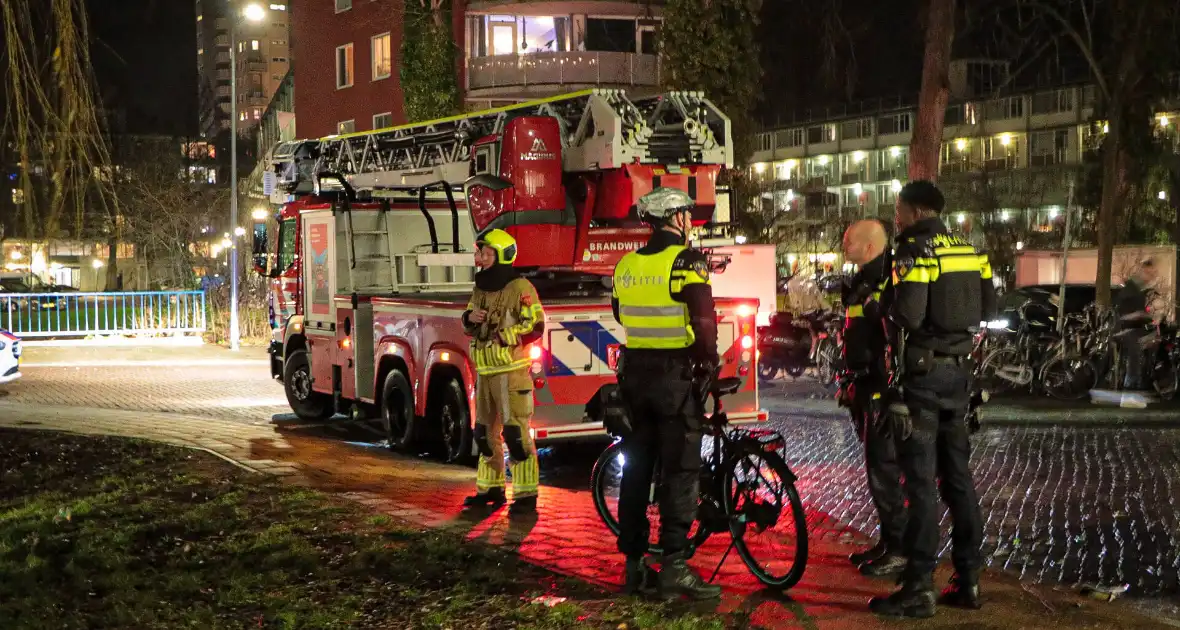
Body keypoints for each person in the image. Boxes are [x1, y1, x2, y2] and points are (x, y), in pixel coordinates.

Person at [870, 180, 996, 618]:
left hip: (921, 377)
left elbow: (907, 314)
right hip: (959, 375)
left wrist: (881, 305)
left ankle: (919, 587)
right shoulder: (970, 249)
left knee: (920, 484)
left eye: (900, 209)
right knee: (958, 480)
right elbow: (988, 307)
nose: (897, 217)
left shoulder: (913, 251)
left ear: (915, 210)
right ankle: (969, 580)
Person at [612, 187, 721, 600]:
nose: (690, 221)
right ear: (676, 219)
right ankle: (675, 566)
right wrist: (708, 364)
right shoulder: (687, 262)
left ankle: (633, 566)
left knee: (637, 472)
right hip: (675, 381)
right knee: (680, 472)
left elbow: (621, 313)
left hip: (635, 380)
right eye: (686, 215)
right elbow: (704, 321)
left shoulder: (625, 266)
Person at [461, 228, 545, 516]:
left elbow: (535, 324)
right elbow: (468, 321)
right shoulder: (480, 287)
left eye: (486, 253)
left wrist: (506, 336)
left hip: (511, 372)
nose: (480, 258)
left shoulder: (521, 288)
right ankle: (490, 489)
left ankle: (525, 496)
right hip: (484, 371)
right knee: (484, 434)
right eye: (480, 253)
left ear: (502, 255)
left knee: (515, 435)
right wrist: (469, 318)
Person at [840, 219, 907, 578]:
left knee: (885, 469)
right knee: (877, 470)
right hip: (864, 384)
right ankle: (889, 541)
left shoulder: (886, 280)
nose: (842, 243)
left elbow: (889, 331)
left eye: (849, 239)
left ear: (869, 247)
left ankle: (899, 548)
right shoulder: (863, 279)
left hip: (881, 386)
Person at [1114, 259, 1158, 396]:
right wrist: (1137, 314)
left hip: (1134, 328)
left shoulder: (1138, 289)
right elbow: (1120, 313)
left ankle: (1146, 378)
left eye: (1152, 274)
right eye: (1148, 273)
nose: (1150, 276)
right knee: (1136, 348)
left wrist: (1150, 317)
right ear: (1142, 271)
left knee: (1154, 341)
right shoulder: (1131, 289)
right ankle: (1130, 383)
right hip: (1125, 329)